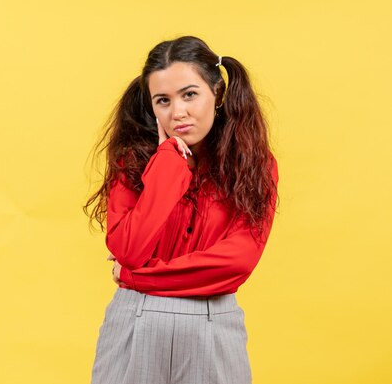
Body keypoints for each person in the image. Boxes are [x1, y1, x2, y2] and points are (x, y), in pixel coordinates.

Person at [83, 35, 280, 384]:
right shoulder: (132, 162)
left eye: (190, 94)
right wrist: (168, 165)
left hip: (213, 325)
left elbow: (235, 263)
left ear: (217, 93)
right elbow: (128, 248)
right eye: (163, 100)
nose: (178, 112)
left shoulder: (253, 165)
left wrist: (134, 277)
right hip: (134, 323)